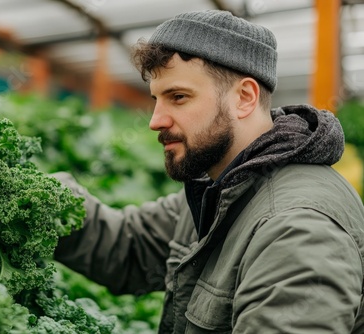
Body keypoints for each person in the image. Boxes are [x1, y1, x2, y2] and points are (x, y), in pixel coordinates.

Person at [53, 9, 364, 333]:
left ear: (244, 98)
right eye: (157, 99)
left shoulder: (297, 228)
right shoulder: (220, 188)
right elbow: (128, 247)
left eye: (178, 97)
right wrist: (31, 193)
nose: (155, 120)